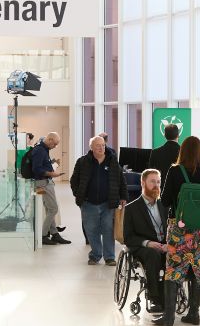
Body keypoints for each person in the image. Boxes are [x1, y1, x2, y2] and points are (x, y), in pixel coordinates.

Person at [157, 137, 200, 326]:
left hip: (179, 228)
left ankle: (169, 317)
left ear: (182, 152)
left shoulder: (175, 171)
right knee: (198, 268)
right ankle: (194, 313)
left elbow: (166, 200)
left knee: (174, 268)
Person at [122, 169, 171, 314]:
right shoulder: (131, 208)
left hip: (164, 244)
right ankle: (155, 297)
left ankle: (172, 294)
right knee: (153, 254)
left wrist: (169, 243)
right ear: (143, 183)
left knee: (177, 254)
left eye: (158, 182)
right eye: (152, 182)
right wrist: (147, 243)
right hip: (142, 247)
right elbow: (128, 237)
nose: (156, 185)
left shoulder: (165, 206)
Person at [69, 135, 124, 265]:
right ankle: (95, 255)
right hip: (88, 203)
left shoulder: (112, 161)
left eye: (103, 145)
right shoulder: (83, 161)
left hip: (107, 203)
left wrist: (123, 197)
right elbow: (74, 180)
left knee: (108, 229)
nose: (101, 148)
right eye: (98, 145)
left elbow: (121, 180)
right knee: (91, 230)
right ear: (91, 147)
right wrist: (79, 194)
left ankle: (109, 257)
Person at [26, 132, 70, 246]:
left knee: (48, 208)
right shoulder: (40, 150)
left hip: (42, 182)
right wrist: (52, 173)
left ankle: (55, 234)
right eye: (54, 144)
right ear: (50, 139)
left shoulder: (43, 149)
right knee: (53, 209)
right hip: (43, 183)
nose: (55, 146)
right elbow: (37, 169)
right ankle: (43, 235)